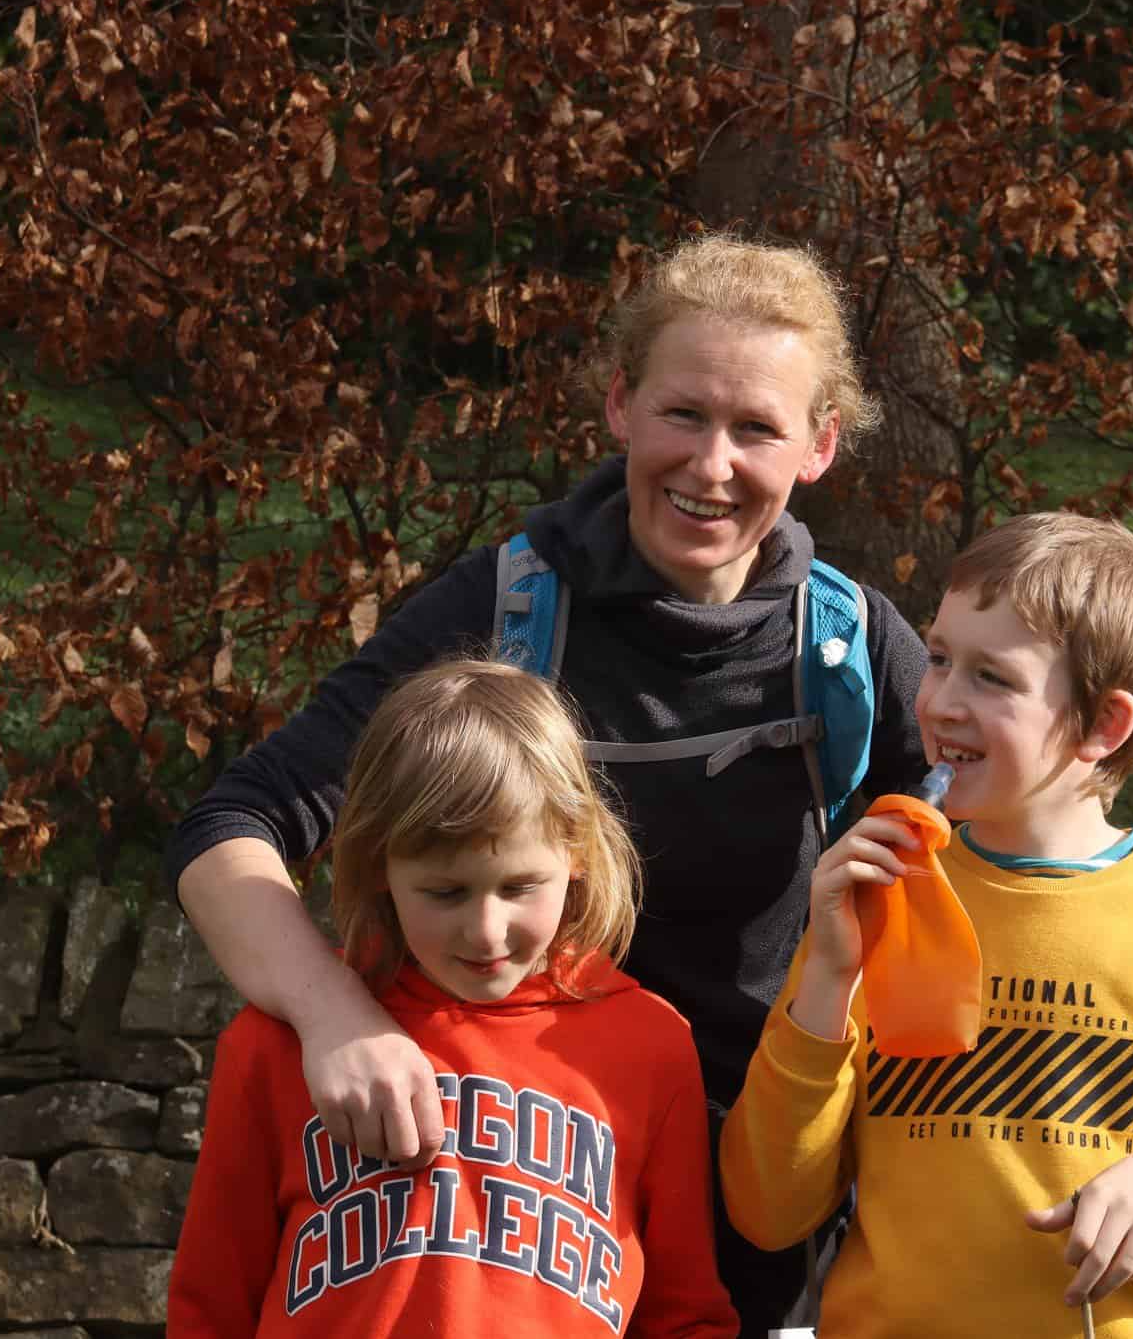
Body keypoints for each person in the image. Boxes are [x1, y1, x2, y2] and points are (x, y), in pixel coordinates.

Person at [165, 234, 929, 1333]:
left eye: (755, 428)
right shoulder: (504, 612)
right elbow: (229, 826)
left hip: (759, 1213)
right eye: (681, 413)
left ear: (818, 445)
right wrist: (335, 1018)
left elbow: (999, 875)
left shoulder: (851, 648)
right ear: (618, 405)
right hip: (484, 1202)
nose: (711, 464)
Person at [719, 513, 1133, 1337]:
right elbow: (767, 1208)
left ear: (1102, 725)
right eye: (937, 658)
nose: (938, 701)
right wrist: (829, 977)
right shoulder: (881, 888)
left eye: (992, 678)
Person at [168, 660, 739, 1337]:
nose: (486, 929)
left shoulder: (650, 1046)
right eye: (446, 892)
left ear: (578, 849)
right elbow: (210, 1307)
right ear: (380, 863)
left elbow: (684, 1316)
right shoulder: (274, 1045)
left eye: (520, 885)